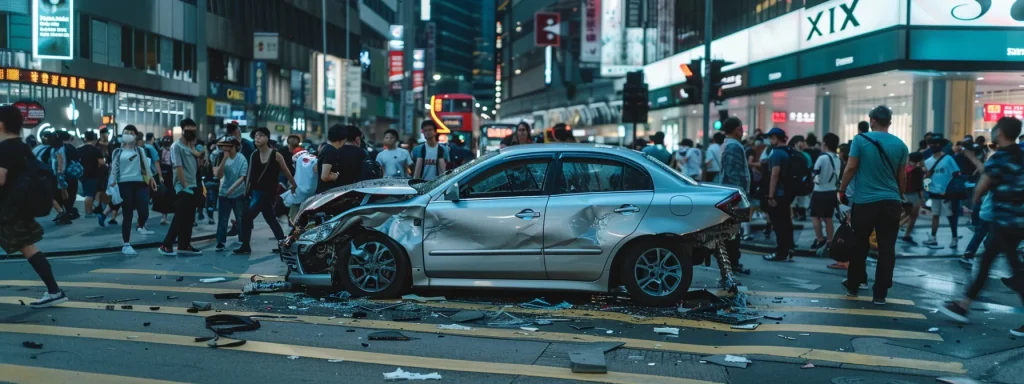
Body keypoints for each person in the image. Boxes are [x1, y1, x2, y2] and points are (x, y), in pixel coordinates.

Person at [938, 117, 1024, 331]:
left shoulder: (1000, 157)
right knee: (986, 262)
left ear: (1001, 132)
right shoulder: (1021, 155)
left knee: (1014, 269)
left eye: (995, 129)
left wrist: (975, 201)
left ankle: (963, 305)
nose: (993, 132)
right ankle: (963, 305)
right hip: (1019, 221)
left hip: (1004, 221)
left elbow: (981, 188)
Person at [837, 106, 909, 304]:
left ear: (873, 120)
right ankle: (880, 293)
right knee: (887, 248)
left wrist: (841, 190)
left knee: (860, 244)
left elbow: (851, 167)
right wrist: (900, 196)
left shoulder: (861, 140)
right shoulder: (901, 145)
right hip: (891, 202)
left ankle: (854, 285)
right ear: (890, 122)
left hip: (865, 202)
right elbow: (902, 176)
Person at [0, 105, 67, 308]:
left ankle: (55, 290)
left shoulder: (4, 147)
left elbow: (1, 179)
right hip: (18, 207)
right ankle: (54, 290)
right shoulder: (21, 145)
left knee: (28, 247)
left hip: (7, 209)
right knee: (28, 247)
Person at [234, 127, 297, 255]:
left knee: (246, 217)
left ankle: (246, 246)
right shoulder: (254, 155)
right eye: (256, 136)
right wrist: (247, 193)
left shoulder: (276, 155)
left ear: (267, 138)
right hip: (257, 192)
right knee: (270, 218)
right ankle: (283, 244)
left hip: (268, 193)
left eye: (261, 135)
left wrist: (294, 185)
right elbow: (250, 175)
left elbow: (286, 170)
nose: (257, 138)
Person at [106, 125, 158, 255]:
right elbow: (113, 170)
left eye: (131, 132)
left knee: (144, 209)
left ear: (136, 135)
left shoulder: (140, 150)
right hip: (124, 184)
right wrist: (111, 185)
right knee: (127, 213)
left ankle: (140, 224)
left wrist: (152, 179)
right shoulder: (117, 152)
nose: (128, 134)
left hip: (141, 183)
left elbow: (146, 166)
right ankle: (126, 244)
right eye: (126, 132)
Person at [158, 119, 205, 256]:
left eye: (194, 129)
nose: (192, 131)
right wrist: (185, 186)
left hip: (194, 184)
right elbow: (178, 168)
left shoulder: (193, 147)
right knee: (180, 216)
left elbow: (199, 164)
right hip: (183, 186)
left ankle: (184, 245)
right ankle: (166, 244)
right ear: (183, 130)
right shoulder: (176, 146)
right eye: (189, 129)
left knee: (189, 217)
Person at [714, 117, 751, 277]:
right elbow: (734, 173)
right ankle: (733, 262)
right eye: (741, 128)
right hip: (734, 194)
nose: (742, 131)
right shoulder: (733, 146)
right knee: (733, 230)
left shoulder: (728, 144)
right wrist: (739, 195)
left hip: (731, 193)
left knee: (731, 229)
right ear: (737, 129)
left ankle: (732, 261)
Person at [762, 128, 795, 262]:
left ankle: (780, 252)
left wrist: (770, 195)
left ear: (775, 138)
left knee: (778, 224)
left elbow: (774, 174)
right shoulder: (789, 151)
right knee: (786, 222)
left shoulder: (775, 153)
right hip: (788, 192)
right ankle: (788, 250)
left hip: (778, 194)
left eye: (771, 138)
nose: (770, 141)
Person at [923, 137, 961, 249]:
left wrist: (950, 189)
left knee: (951, 217)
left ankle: (954, 238)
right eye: (931, 145)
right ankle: (933, 238)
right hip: (934, 193)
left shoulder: (948, 159)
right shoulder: (928, 161)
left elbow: (957, 174)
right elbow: (926, 178)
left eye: (934, 145)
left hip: (948, 194)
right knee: (935, 215)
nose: (932, 147)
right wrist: (927, 189)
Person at [213, 136, 248, 252]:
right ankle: (220, 242)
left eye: (228, 146)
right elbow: (218, 175)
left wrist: (232, 189)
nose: (225, 148)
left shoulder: (242, 159)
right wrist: (224, 159)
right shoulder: (220, 157)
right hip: (223, 193)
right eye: (224, 146)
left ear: (234, 147)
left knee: (240, 217)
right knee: (223, 219)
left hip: (238, 193)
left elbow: (243, 177)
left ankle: (243, 239)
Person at [809, 133, 841, 250]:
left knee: (815, 216)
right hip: (832, 191)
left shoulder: (822, 157)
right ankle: (830, 241)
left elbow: (815, 174)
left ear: (825, 144)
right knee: (828, 218)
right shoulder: (837, 158)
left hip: (820, 191)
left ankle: (820, 239)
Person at [318, 124, 366, 192]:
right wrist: (336, 176)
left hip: (323, 191)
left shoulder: (325, 148)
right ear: (343, 139)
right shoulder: (331, 151)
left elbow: (316, 168)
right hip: (327, 193)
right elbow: (325, 176)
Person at [900, 152, 926, 245]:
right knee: (913, 216)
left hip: (904, 194)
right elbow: (920, 186)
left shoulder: (905, 167)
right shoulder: (918, 170)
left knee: (906, 213)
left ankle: (895, 229)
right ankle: (906, 235)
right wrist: (922, 198)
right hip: (914, 195)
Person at [78, 131, 106, 218]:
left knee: (88, 193)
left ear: (85, 139)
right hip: (94, 174)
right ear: (94, 139)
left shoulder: (79, 149)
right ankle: (88, 212)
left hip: (83, 174)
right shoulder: (96, 150)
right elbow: (101, 163)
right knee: (90, 194)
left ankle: (90, 210)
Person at [788, 135, 813, 221]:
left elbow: (809, 168)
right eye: (801, 142)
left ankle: (799, 213)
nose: (803, 144)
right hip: (795, 181)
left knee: (802, 199)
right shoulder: (791, 154)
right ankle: (797, 213)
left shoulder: (806, 155)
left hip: (801, 181)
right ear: (795, 143)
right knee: (796, 200)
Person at [153, 135, 176, 224]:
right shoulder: (160, 150)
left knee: (172, 195)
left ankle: (171, 215)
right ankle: (163, 217)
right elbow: (157, 162)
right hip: (163, 172)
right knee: (163, 195)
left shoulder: (173, 150)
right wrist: (160, 175)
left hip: (172, 173)